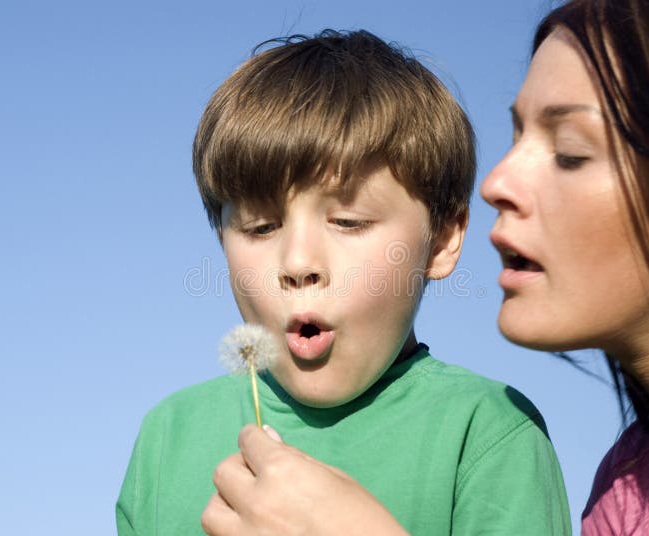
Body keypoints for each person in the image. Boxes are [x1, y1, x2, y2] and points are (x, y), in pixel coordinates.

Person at [199, 1, 649, 534]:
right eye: (260, 226)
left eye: (570, 151)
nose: (496, 181)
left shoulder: (490, 438)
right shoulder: (629, 495)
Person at [116, 30, 571, 535]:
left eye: (349, 222)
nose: (298, 262)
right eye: (260, 227)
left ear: (442, 240)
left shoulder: (488, 434)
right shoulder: (168, 438)